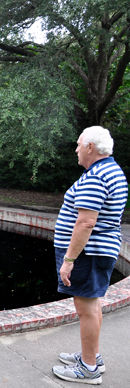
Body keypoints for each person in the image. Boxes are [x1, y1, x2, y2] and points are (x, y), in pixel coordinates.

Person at [52, 126, 128, 385]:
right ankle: (91, 357)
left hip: (88, 254)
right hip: (98, 251)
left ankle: (88, 369)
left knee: (85, 308)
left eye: (78, 144)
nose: (75, 149)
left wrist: (69, 260)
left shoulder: (96, 177)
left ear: (90, 147)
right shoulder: (111, 171)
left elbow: (86, 223)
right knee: (93, 305)